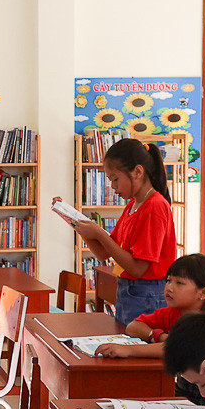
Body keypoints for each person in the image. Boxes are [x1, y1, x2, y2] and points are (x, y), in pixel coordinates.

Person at [60, 138, 177, 325]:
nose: (113, 186)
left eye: (115, 179)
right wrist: (80, 227)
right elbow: (103, 253)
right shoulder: (133, 205)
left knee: (136, 350)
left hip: (147, 295)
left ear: (138, 172)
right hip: (130, 291)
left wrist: (98, 233)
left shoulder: (154, 206)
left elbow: (138, 269)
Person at [94, 252, 205, 359]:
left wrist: (128, 350)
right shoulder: (172, 313)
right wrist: (158, 336)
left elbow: (179, 349)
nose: (169, 288)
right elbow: (133, 327)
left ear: (204, 292)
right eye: (169, 281)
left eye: (179, 283)